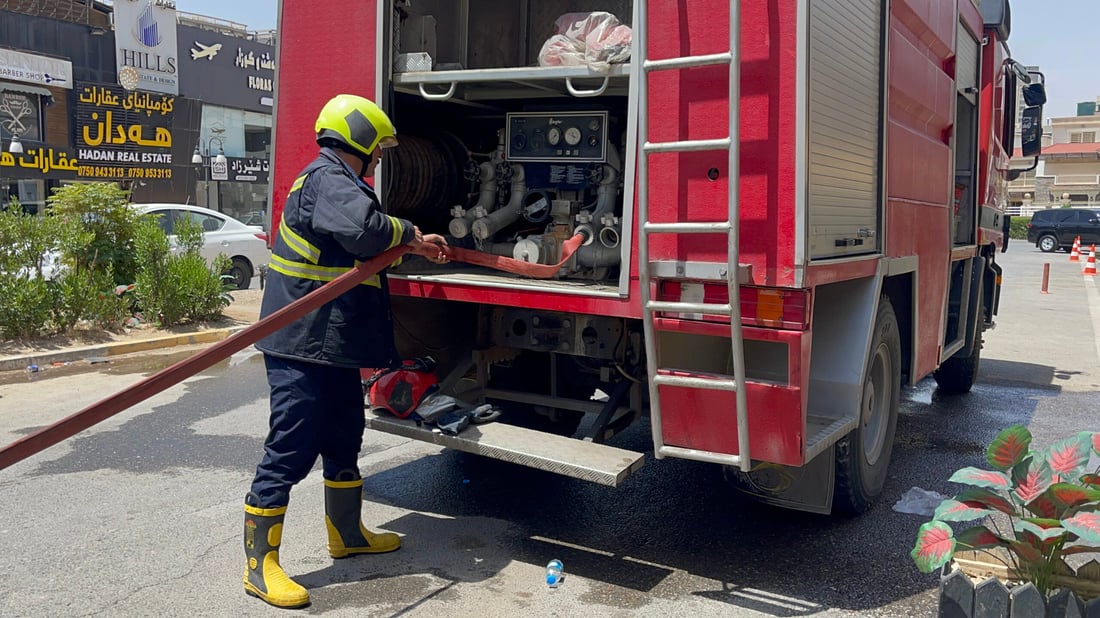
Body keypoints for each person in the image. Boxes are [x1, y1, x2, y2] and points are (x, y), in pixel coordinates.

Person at [243, 94, 447, 609]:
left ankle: (347, 535)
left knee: (343, 436)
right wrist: (406, 232)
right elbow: (364, 231)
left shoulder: (337, 180)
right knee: (291, 445)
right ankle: (260, 567)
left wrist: (410, 243)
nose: (379, 160)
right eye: (378, 150)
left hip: (326, 342)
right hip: (300, 342)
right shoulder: (328, 178)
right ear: (358, 139)